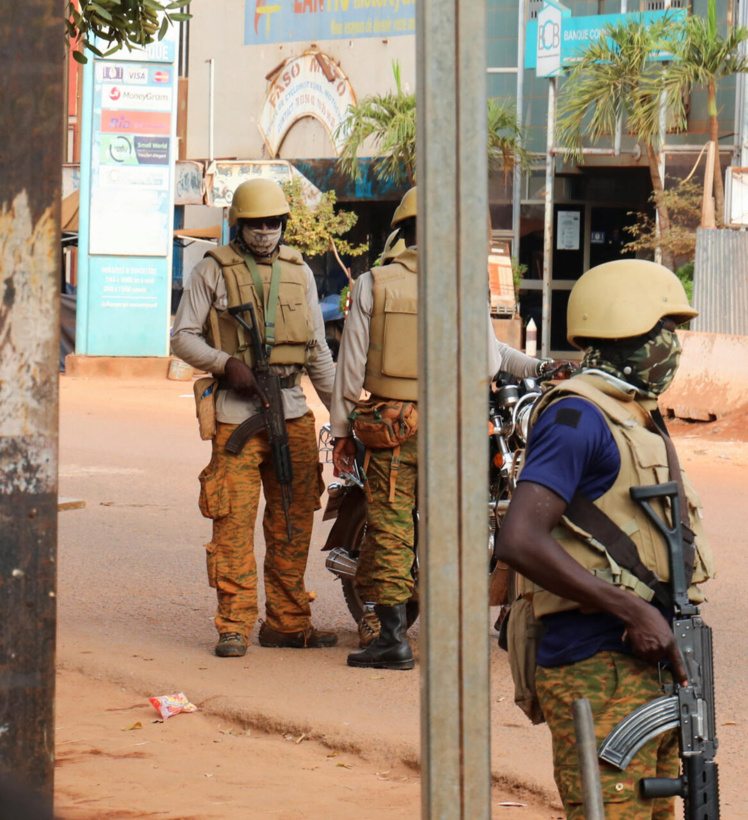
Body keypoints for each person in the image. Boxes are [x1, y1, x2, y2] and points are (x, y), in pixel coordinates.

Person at [495, 259, 716, 819]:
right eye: (663, 330)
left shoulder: (634, 414)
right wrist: (629, 610)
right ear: (625, 329)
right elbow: (519, 538)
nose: (673, 345)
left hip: (650, 661)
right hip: (595, 660)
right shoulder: (579, 417)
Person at [330, 187, 509, 669]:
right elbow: (491, 362)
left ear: (401, 232)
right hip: (454, 428)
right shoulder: (466, 284)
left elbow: (351, 365)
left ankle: (392, 640)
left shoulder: (373, 283)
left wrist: (342, 430)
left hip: (392, 428)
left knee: (390, 528)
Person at [172, 178, 337, 658]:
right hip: (236, 414)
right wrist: (227, 364)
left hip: (291, 409)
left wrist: (342, 417)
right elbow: (182, 336)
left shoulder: (299, 271)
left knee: (293, 520)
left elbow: (318, 352)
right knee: (233, 522)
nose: (265, 231)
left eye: (273, 222)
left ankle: (287, 622)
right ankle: (234, 624)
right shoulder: (211, 270)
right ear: (239, 224)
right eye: (256, 223)